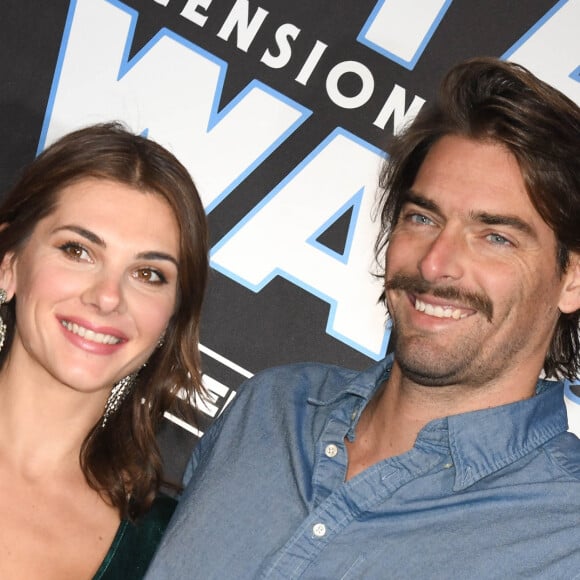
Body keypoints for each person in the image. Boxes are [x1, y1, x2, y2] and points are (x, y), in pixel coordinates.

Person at [146, 57, 580, 579]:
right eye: (422, 217)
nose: (435, 263)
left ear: (571, 279)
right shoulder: (271, 409)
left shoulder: (564, 540)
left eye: (495, 237)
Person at [0, 122, 208, 579]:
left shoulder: (165, 550)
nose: (108, 296)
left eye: (148, 274)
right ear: (9, 264)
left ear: (171, 320)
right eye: (77, 250)